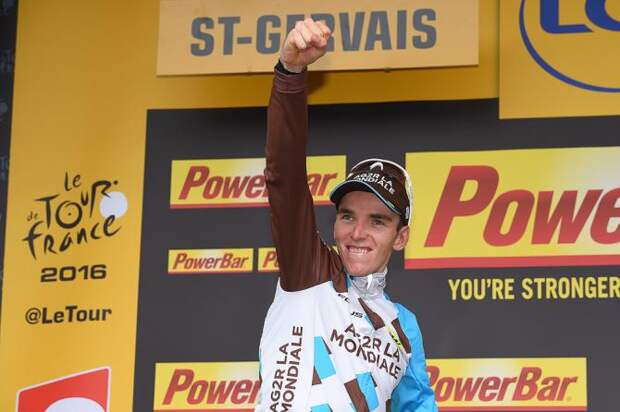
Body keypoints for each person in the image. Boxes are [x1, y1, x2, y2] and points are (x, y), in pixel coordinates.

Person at [257, 18, 438, 412]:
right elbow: (284, 179)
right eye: (347, 216)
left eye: (377, 221)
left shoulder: (402, 326)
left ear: (401, 237)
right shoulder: (310, 272)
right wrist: (291, 74)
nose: (358, 232)